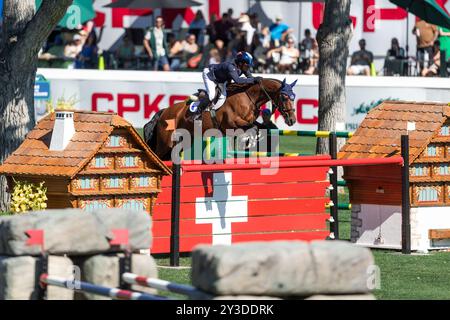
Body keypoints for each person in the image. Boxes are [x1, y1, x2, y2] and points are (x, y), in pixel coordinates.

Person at [190, 51, 262, 119]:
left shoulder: (243, 67)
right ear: (241, 63)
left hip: (221, 79)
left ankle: (212, 114)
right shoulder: (230, 67)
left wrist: (255, 80)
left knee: (222, 98)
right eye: (247, 65)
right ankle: (197, 113)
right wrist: (253, 79)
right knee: (211, 95)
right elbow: (238, 80)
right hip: (210, 75)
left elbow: (250, 78)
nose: (249, 67)